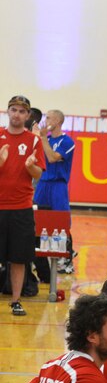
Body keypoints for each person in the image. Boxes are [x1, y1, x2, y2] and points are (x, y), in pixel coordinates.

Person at [0, 95, 45, 316]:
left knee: (18, 258)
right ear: (8, 112)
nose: (17, 114)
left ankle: (16, 300)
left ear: (28, 115)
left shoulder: (34, 141)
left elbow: (38, 174)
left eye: (21, 111)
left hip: (21, 208)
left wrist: (30, 167)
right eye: (13, 110)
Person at [33, 109, 77, 275]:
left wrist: (42, 138)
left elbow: (52, 158)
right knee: (37, 219)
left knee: (61, 222)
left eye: (49, 118)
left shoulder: (67, 141)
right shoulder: (45, 139)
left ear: (58, 121)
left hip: (58, 185)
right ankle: (39, 261)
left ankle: (66, 259)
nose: (45, 120)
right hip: (42, 183)